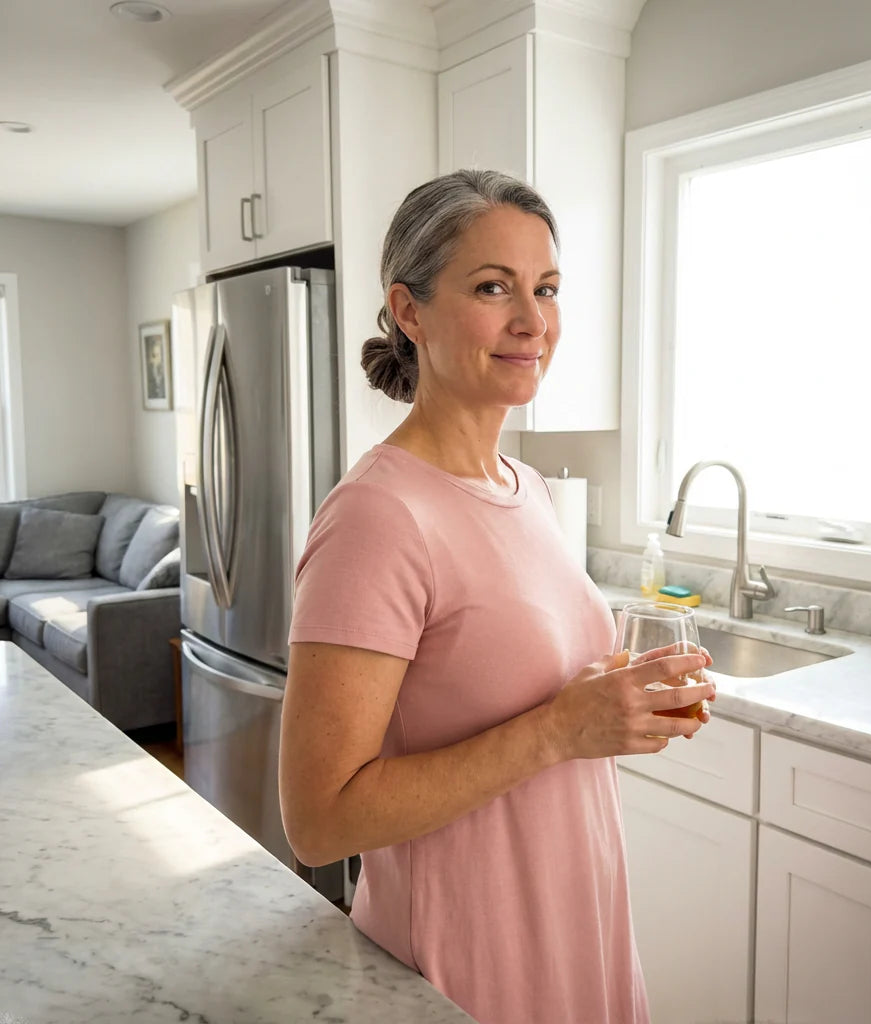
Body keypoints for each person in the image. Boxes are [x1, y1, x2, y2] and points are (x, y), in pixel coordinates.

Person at [280, 169, 716, 1024]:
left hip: (579, 927)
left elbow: (512, 686)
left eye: (546, 289)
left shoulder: (529, 488)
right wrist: (560, 729)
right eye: (492, 288)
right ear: (410, 312)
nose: (533, 321)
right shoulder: (378, 516)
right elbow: (318, 821)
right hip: (469, 963)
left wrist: (617, 705)